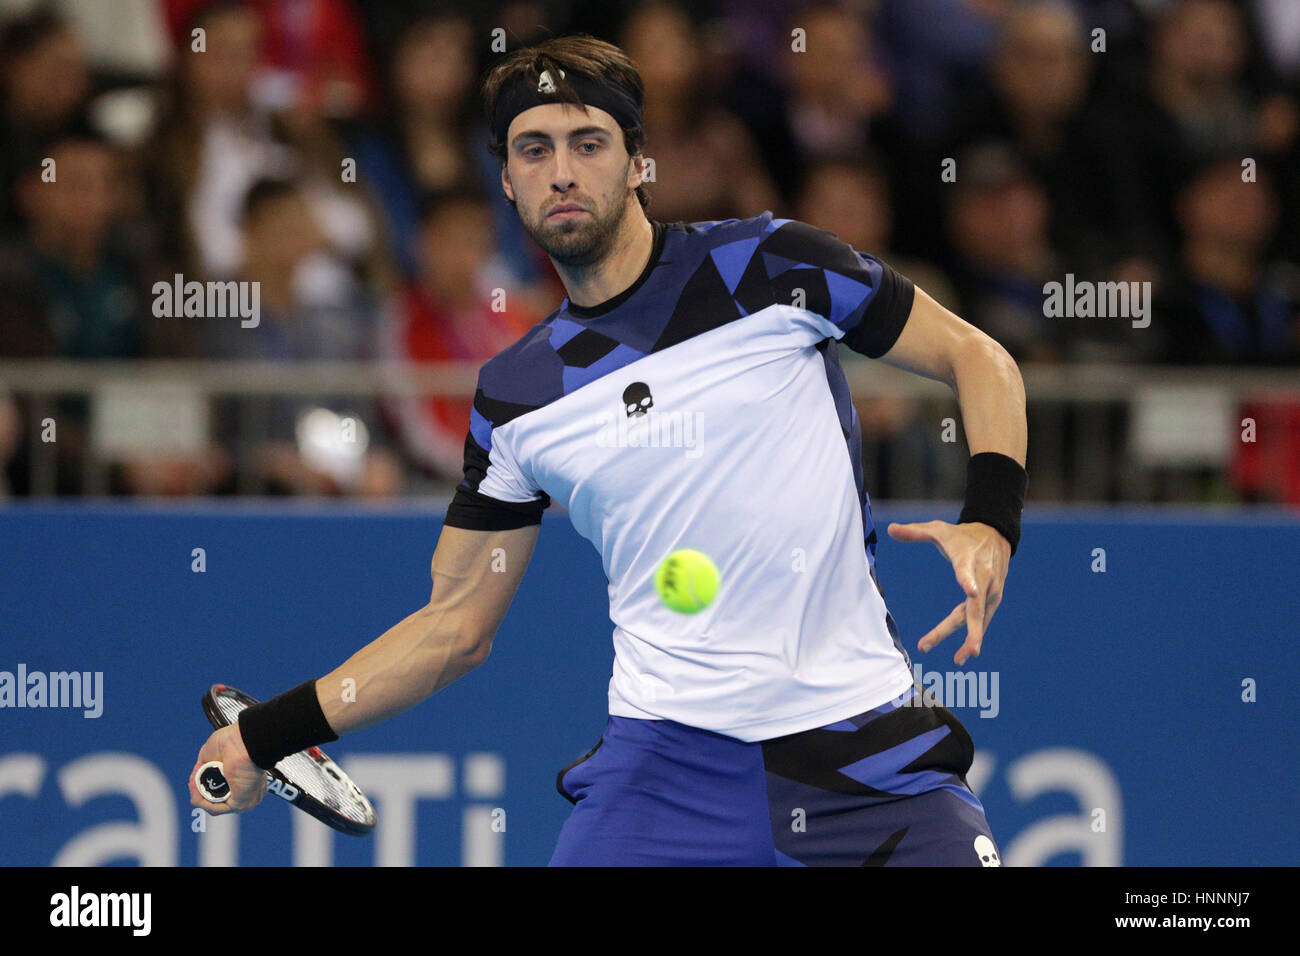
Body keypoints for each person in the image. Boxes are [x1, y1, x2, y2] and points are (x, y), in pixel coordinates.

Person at [190, 34, 1028, 867]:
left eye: (589, 143)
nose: (562, 170)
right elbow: (453, 628)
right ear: (508, 180)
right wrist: (266, 735)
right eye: (533, 149)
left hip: (872, 754)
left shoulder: (771, 266)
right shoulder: (516, 396)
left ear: (636, 164)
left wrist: (991, 521)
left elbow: (976, 357)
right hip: (664, 780)